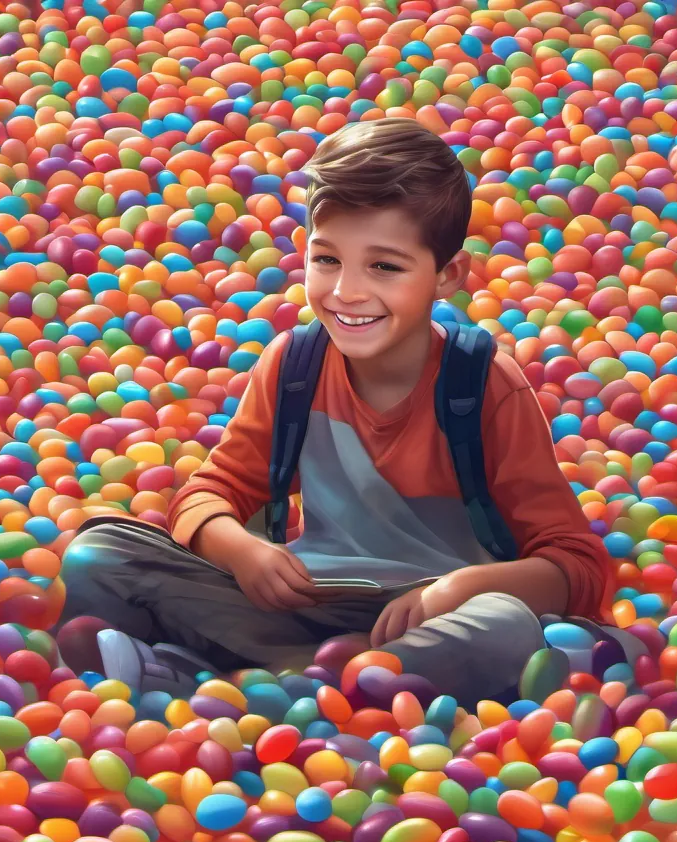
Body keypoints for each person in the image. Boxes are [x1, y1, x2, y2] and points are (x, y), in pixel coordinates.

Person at [58, 117, 639, 701]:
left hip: (427, 622)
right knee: (99, 554)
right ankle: (312, 681)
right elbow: (209, 492)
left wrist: (460, 590)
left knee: (504, 627)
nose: (346, 292)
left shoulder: (482, 384)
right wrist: (241, 549)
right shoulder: (294, 367)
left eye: (384, 267)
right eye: (328, 260)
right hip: (306, 603)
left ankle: (236, 686)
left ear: (448, 276)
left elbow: (576, 566)